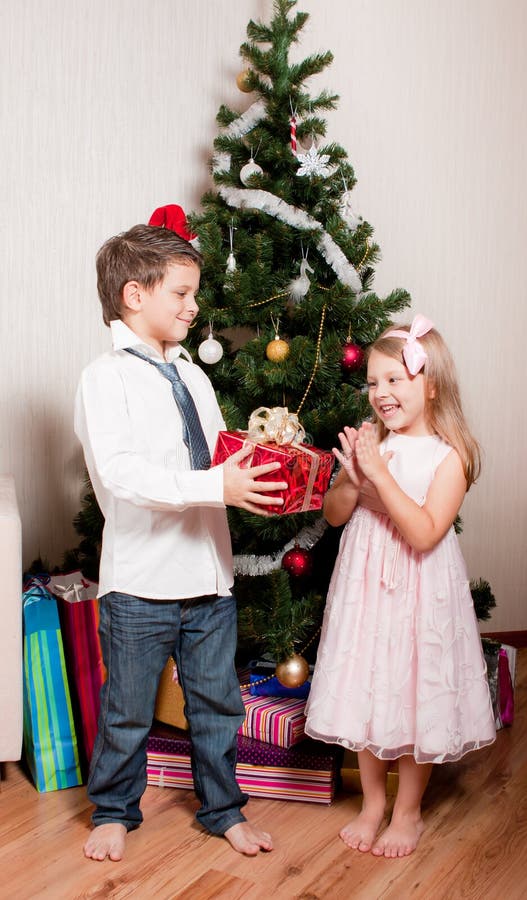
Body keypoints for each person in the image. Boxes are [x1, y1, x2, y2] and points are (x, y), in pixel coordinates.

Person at [75, 219, 288, 862]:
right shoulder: (103, 378)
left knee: (218, 702)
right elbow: (121, 475)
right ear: (134, 296)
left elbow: (215, 457)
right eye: (183, 295)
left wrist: (258, 456)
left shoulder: (193, 376)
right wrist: (214, 487)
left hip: (208, 576)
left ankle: (224, 809)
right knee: (129, 708)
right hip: (142, 580)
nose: (195, 308)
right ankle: (114, 809)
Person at [304, 314, 496, 859]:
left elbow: (424, 532)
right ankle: (371, 804)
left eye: (395, 379)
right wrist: (349, 480)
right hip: (366, 592)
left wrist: (380, 478)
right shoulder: (372, 445)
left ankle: (407, 810)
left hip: (419, 592)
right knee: (371, 686)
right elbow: (335, 516)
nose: (381, 393)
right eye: (372, 382)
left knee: (414, 692)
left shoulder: (449, 456)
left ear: (430, 384)